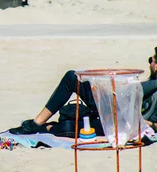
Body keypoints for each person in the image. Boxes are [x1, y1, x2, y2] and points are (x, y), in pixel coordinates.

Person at [9, 48, 157, 136]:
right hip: (113, 108)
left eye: (154, 61)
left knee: (70, 126)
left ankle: (43, 127)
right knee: (72, 78)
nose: (151, 63)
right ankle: (37, 122)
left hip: (125, 123)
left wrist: (144, 123)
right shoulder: (150, 83)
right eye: (151, 59)